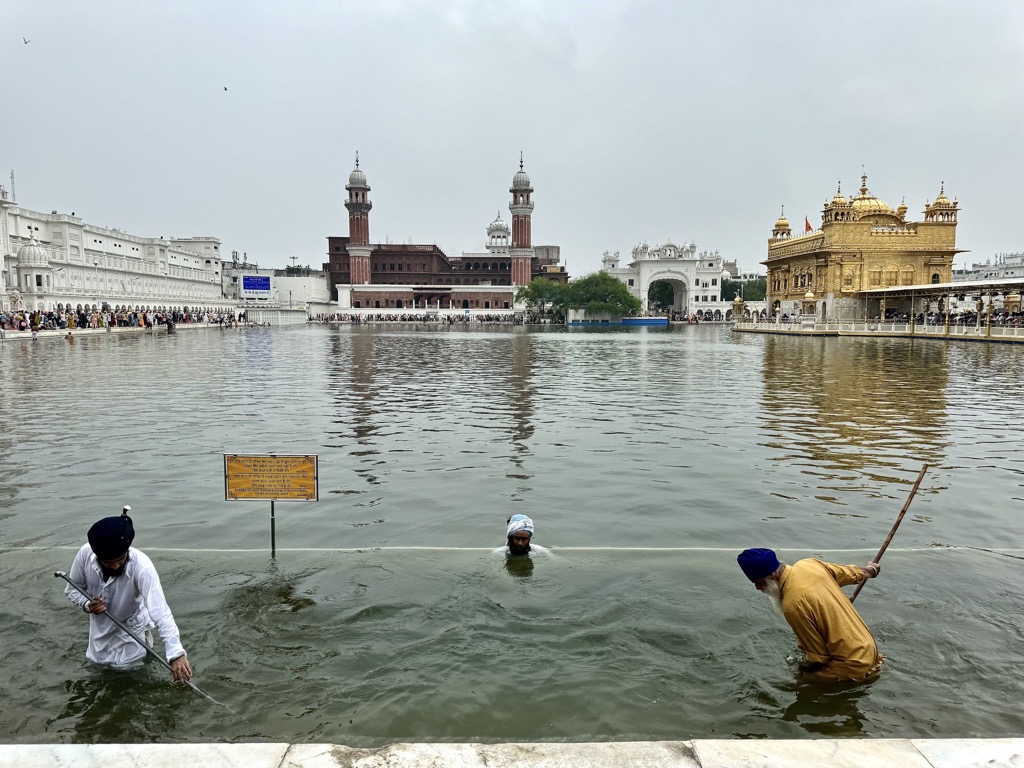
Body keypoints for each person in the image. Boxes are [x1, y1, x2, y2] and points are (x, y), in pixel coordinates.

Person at [65, 507, 192, 683]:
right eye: (109, 563)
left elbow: (161, 612)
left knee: (130, 682)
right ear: (97, 556)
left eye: (120, 560)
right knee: (98, 676)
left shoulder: (142, 568)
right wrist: (88, 605)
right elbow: (72, 589)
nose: (116, 566)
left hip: (132, 636)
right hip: (98, 635)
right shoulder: (85, 554)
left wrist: (176, 654)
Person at [737, 548, 882, 681]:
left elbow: (819, 658)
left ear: (772, 576)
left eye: (759, 582)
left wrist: (798, 672)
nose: (757, 588)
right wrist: (870, 570)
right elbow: (852, 573)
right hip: (871, 652)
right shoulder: (809, 564)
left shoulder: (792, 605)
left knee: (799, 682)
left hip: (853, 666)